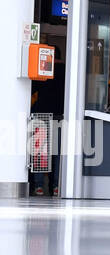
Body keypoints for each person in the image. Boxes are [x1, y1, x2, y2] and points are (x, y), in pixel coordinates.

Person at [29, 56, 65, 197]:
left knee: (41, 152)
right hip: (61, 116)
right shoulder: (68, 71)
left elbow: (31, 89)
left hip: (42, 115)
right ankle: (56, 186)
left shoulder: (44, 70)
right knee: (57, 154)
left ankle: (39, 186)